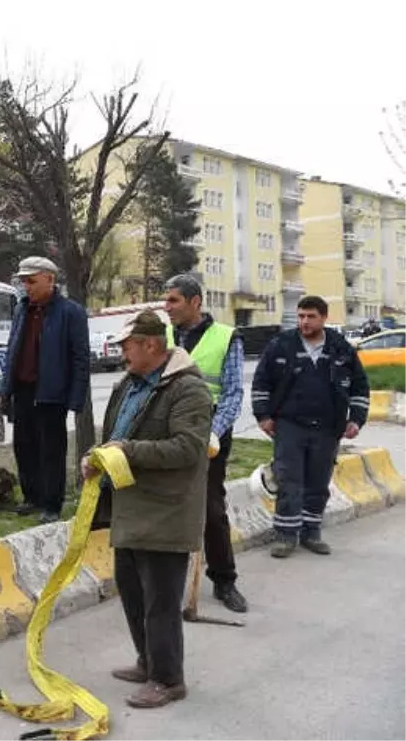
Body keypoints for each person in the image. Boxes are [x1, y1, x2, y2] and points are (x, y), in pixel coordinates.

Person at [87, 309, 212, 710]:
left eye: (127, 345)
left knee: (160, 601)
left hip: (165, 510)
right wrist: (100, 457)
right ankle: (147, 662)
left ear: (151, 345)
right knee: (133, 593)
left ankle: (168, 679)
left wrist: (126, 451)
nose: (121, 351)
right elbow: (116, 433)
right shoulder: (130, 382)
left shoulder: (187, 390)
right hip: (130, 505)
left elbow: (187, 448)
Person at [252, 295, 369, 557]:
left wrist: (356, 419)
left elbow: (360, 386)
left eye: (310, 317)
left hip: (328, 428)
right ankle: (285, 536)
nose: (304, 322)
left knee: (318, 482)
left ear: (324, 318)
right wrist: (263, 416)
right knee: (289, 480)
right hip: (290, 426)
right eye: (301, 316)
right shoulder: (281, 345)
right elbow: (261, 383)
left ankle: (311, 533)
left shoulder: (341, 348)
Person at [162, 274, 247, 614]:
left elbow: (232, 393)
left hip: (209, 433)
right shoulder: (164, 334)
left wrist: (214, 431)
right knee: (167, 506)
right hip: (169, 432)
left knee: (211, 508)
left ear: (195, 302)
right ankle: (164, 581)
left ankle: (224, 579)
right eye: (166, 300)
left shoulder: (226, 338)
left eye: (174, 301)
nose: (167, 307)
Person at [0, 256, 90, 523]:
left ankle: (52, 504)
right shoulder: (22, 310)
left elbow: (80, 358)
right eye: (24, 282)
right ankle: (32, 497)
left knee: (51, 450)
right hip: (24, 390)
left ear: (50, 280)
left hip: (52, 392)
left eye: (32, 281)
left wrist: (76, 397)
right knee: (24, 446)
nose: (27, 287)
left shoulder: (70, 312)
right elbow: (13, 349)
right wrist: (6, 388)